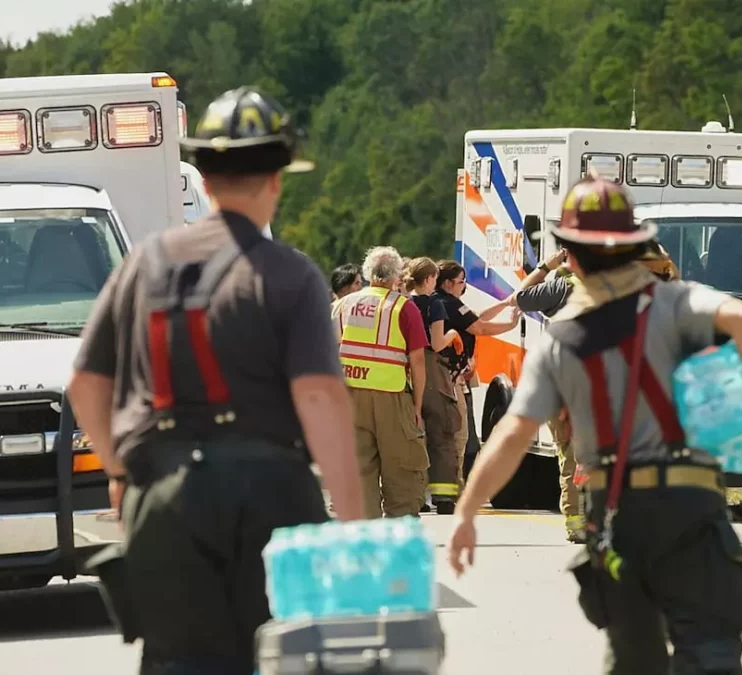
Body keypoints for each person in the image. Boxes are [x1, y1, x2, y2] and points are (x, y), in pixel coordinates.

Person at [67, 85, 364, 675]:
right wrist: (351, 522)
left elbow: (85, 384)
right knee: (286, 658)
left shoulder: (144, 264)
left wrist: (122, 471)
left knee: (178, 661)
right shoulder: (292, 275)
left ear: (202, 178)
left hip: (165, 492)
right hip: (272, 494)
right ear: (278, 179)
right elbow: (317, 395)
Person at [448, 175, 742, 674]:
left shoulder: (565, 340)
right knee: (710, 649)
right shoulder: (681, 303)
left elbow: (513, 434)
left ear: (572, 257)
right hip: (694, 501)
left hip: (621, 511)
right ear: (633, 247)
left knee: (634, 657)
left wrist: (467, 512)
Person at [507, 240, 681, 542]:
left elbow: (518, 297)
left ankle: (577, 523)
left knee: (571, 456)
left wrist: (546, 266)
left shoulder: (563, 286)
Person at [333, 246, 432, 518]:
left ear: (367, 273)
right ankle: (397, 536)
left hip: (350, 397)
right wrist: (417, 406)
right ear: (397, 275)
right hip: (392, 397)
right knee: (401, 472)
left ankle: (365, 536)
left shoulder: (342, 305)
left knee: (359, 471)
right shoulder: (403, 307)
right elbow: (418, 362)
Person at [433, 260, 519, 484]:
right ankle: (453, 486)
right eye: (462, 282)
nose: (465, 286)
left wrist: (504, 303)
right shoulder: (449, 303)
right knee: (458, 435)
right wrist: (509, 326)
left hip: (441, 376)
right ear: (449, 283)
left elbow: (474, 317)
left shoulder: (439, 302)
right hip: (451, 378)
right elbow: (478, 327)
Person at [403, 256, 465, 514]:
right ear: (430, 279)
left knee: (414, 434)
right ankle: (444, 498)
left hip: (405, 368)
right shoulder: (435, 305)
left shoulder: (403, 304)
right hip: (431, 369)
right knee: (442, 433)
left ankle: (416, 496)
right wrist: (454, 334)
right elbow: (437, 343)